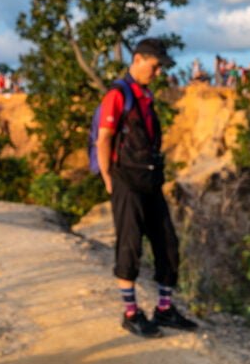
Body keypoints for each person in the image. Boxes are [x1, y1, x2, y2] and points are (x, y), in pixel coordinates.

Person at [96, 38, 197, 338]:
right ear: (138, 59)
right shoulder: (118, 94)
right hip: (126, 179)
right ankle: (131, 313)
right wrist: (108, 179)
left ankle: (164, 308)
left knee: (168, 242)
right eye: (154, 67)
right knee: (129, 245)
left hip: (150, 180)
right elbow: (103, 138)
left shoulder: (145, 95)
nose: (157, 73)